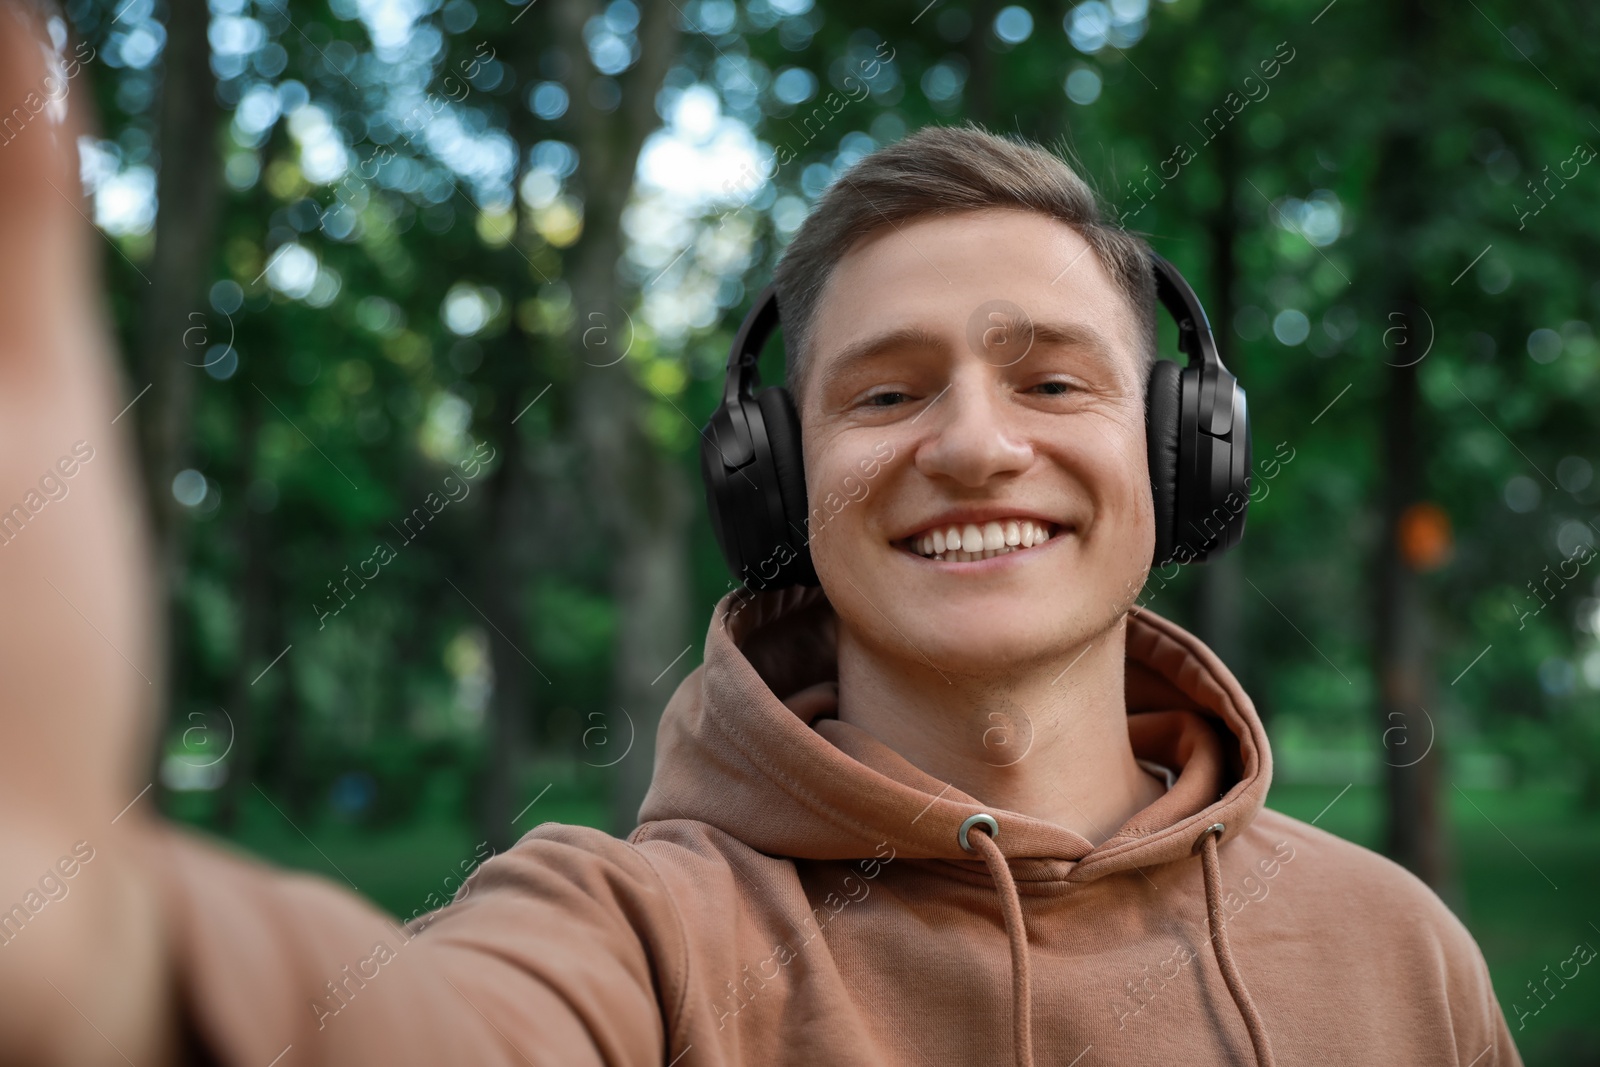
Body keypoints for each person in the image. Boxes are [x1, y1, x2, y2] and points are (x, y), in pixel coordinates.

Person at [0, 8, 1519, 1065]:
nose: (977, 443)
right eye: (887, 392)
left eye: (1054, 380)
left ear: (1184, 457)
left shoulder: (1401, 952)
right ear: (774, 488)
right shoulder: (630, 934)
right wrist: (95, 949)